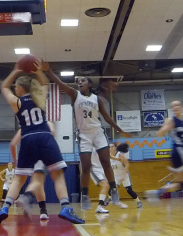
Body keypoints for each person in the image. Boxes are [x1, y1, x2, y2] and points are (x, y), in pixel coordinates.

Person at [0, 61, 84, 224]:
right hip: (45, 137)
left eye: (16, 87)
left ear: (20, 88)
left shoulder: (17, 103)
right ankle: (66, 207)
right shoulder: (39, 97)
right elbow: (45, 83)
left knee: (19, 179)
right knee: (58, 176)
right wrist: (40, 71)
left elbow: (4, 87)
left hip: (27, 138)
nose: (14, 89)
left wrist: (15, 71)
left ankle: (4, 208)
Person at [49, 69, 127, 211]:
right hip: (84, 134)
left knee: (105, 162)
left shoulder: (96, 99)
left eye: (83, 80)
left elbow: (107, 117)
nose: (79, 82)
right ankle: (85, 195)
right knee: (85, 167)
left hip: (97, 132)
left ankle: (114, 189)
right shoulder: (75, 95)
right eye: (78, 81)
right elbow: (59, 83)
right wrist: (48, 70)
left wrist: (119, 129)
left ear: (90, 84)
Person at [145, 101, 183, 211]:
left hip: (178, 154)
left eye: (177, 105)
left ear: (182, 107)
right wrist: (164, 129)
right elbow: (159, 134)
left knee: (182, 184)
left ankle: (157, 192)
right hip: (179, 152)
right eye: (173, 106)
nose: (175, 107)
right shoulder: (171, 120)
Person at [111, 142, 142, 208]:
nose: (110, 148)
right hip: (115, 175)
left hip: (124, 174)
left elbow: (127, 164)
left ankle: (138, 201)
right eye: (109, 147)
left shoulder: (120, 155)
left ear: (115, 147)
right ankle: (112, 201)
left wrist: (123, 175)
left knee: (129, 190)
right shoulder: (109, 156)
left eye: (112, 146)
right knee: (113, 189)